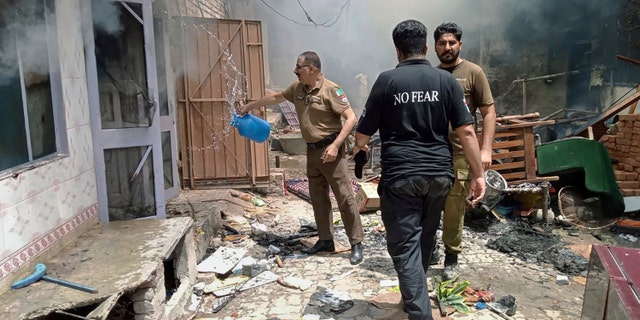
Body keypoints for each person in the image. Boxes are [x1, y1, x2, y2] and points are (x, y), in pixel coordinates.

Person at [354, 19, 485, 319]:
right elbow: (466, 132)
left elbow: (362, 136)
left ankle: (418, 313)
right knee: (424, 238)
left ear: (397, 51)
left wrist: (357, 150)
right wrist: (479, 174)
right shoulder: (447, 82)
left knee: (404, 247)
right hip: (440, 176)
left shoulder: (387, 81)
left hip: (402, 177)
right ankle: (412, 301)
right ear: (427, 47)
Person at [239, 51, 365, 265]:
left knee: (344, 197)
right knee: (318, 197)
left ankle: (356, 243)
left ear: (312, 68)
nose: (295, 71)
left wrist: (335, 146)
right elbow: (276, 97)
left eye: (299, 67)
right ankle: (326, 239)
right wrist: (249, 107)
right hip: (312, 151)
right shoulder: (297, 88)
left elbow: (351, 118)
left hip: (331, 152)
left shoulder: (332, 89)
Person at [433, 22, 496, 280]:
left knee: (454, 205)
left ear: (460, 44)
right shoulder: (431, 74)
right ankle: (428, 248)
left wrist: (485, 149)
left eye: (451, 43)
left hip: (461, 151)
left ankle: (452, 255)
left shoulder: (473, 72)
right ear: (434, 47)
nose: (447, 47)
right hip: (434, 151)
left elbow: (489, 112)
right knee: (430, 204)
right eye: (441, 43)